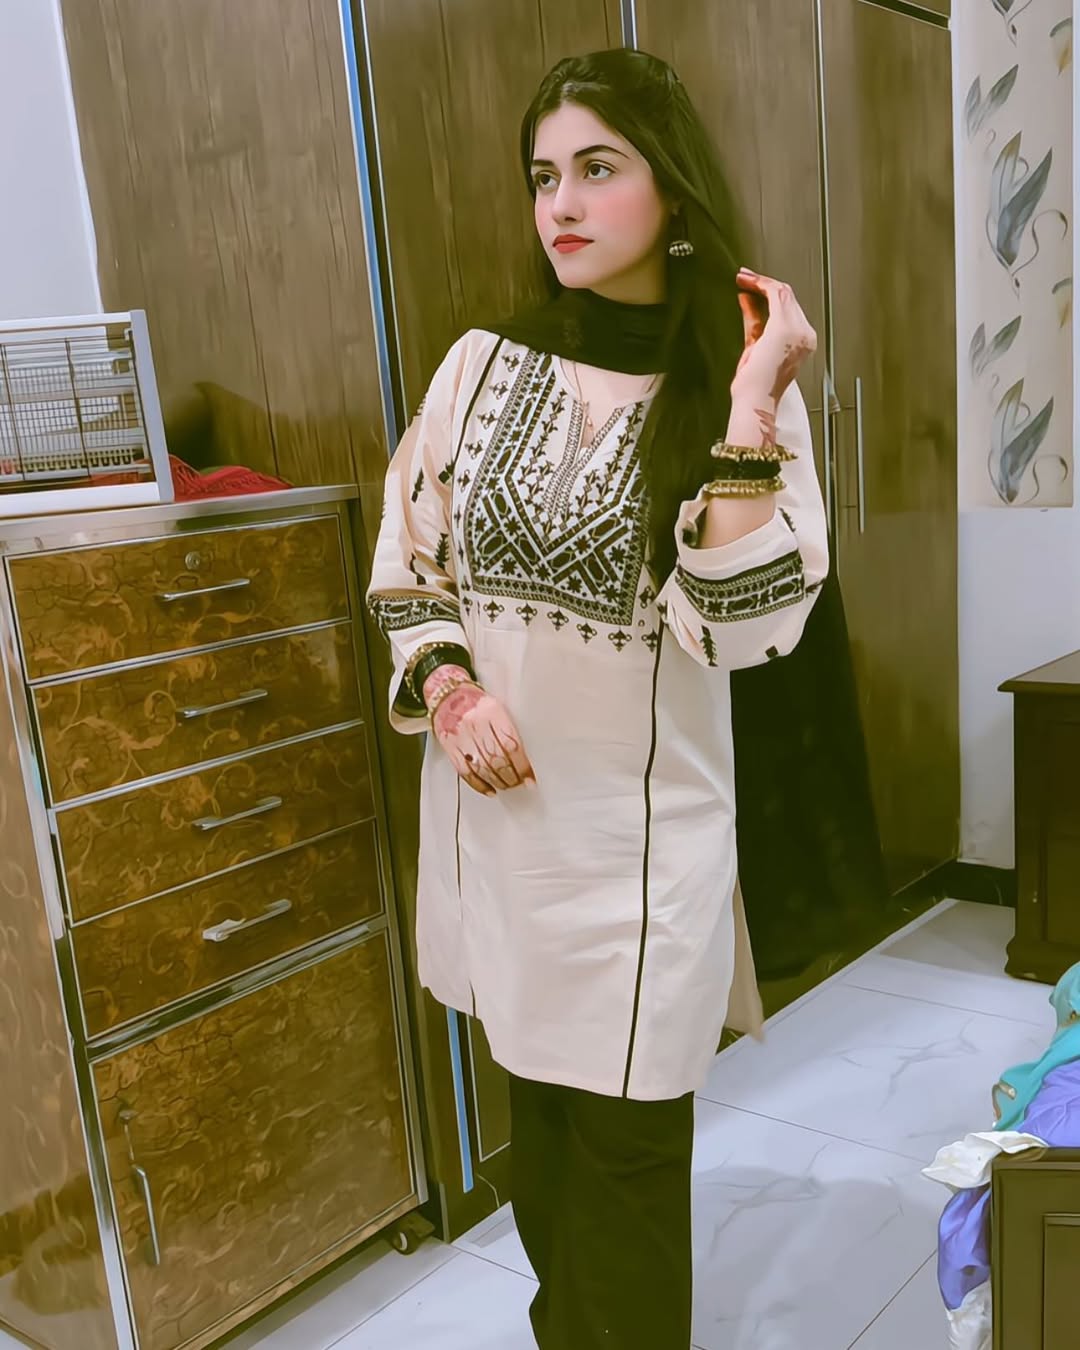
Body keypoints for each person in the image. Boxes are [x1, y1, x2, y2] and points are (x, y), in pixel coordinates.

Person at [367, 47, 828, 1350]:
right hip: (503, 849)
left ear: (671, 189)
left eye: (598, 168)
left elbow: (742, 623)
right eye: (542, 175)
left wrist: (750, 401)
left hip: (639, 870)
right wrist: (450, 689)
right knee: (553, 1180)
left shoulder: (745, 394)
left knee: (625, 1198)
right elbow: (410, 562)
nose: (560, 203)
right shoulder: (477, 368)